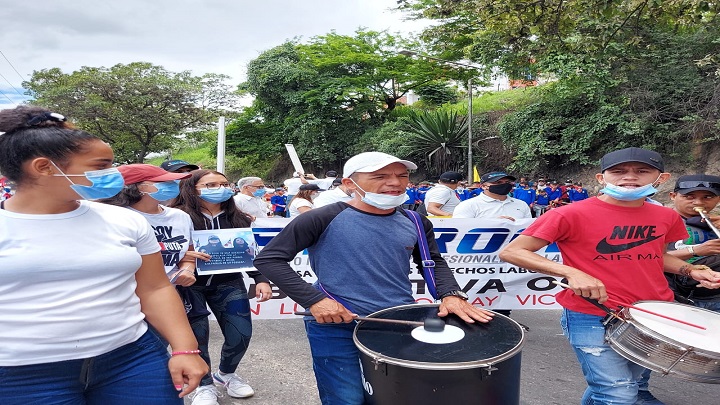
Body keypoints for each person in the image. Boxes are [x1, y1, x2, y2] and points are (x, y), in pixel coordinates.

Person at [0, 106, 207, 404]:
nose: (115, 175)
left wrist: (185, 348)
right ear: (44, 167)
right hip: (22, 376)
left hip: (132, 361)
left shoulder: (125, 220)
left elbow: (155, 287)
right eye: (101, 166)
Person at [253, 151, 494, 405]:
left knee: (392, 393)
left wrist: (451, 295)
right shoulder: (320, 217)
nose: (395, 182)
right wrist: (314, 300)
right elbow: (269, 259)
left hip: (397, 320)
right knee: (346, 398)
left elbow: (431, 262)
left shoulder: (415, 220)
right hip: (336, 323)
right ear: (349, 184)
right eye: (380, 176)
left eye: (402, 176)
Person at [499, 147, 720, 405]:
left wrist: (691, 269)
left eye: (642, 171)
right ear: (601, 178)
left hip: (653, 314)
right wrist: (572, 272)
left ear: (661, 178)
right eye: (618, 171)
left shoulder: (666, 215)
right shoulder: (568, 213)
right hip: (591, 312)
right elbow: (513, 252)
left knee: (619, 388)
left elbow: (655, 256)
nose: (629, 177)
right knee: (619, 393)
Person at [169, 169, 273, 405]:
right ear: (192, 188)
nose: (220, 188)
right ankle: (204, 386)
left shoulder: (239, 217)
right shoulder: (177, 215)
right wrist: (183, 256)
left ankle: (225, 375)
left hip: (228, 283)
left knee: (241, 334)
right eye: (211, 184)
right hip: (188, 286)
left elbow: (249, 253)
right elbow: (162, 250)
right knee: (197, 338)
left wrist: (260, 279)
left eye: (224, 184)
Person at [101, 163, 199, 286]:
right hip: (127, 294)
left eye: (172, 181)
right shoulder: (115, 218)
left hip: (167, 292)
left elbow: (188, 256)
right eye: (163, 182)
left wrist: (186, 270)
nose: (173, 184)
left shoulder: (180, 216)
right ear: (136, 187)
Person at [666, 174, 720, 311]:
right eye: (689, 196)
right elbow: (650, 259)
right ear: (673, 196)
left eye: (707, 197)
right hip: (680, 299)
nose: (698, 203)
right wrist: (696, 250)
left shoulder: (716, 222)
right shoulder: (660, 222)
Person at [453, 171, 531, 221]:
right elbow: (460, 231)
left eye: (507, 182)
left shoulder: (521, 205)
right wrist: (493, 224)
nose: (504, 185)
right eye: (498, 182)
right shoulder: (468, 205)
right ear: (483, 186)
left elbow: (528, 230)